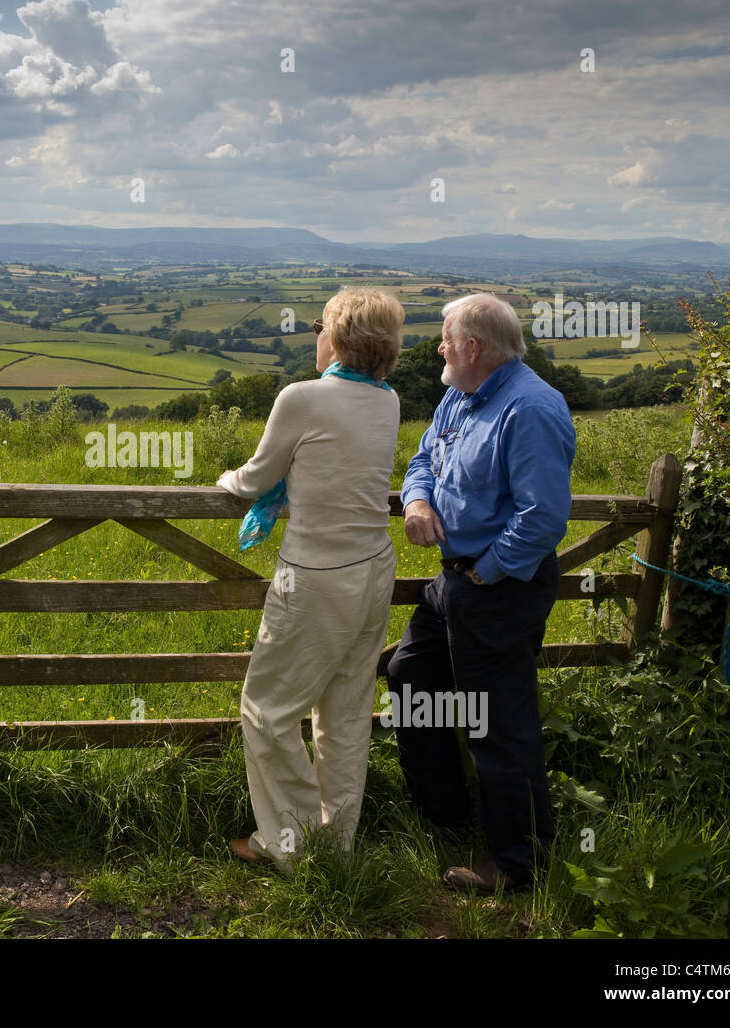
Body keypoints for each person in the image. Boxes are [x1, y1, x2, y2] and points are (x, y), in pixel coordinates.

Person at [388, 292, 575, 893]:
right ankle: (444, 812)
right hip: (453, 581)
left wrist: (484, 572)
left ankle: (520, 862)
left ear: (473, 346)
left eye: (445, 337)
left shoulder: (531, 409)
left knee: (497, 721)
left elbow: (543, 518)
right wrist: (417, 499)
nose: (438, 346)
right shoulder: (459, 396)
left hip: (497, 586)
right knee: (410, 675)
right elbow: (423, 458)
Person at [217, 286, 403, 872]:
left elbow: (256, 478)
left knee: (267, 712)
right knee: (345, 715)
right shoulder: (389, 399)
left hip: (317, 575)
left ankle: (288, 845)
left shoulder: (302, 397)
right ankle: (335, 848)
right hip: (374, 567)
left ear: (340, 338)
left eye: (321, 327)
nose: (315, 337)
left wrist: (227, 482)